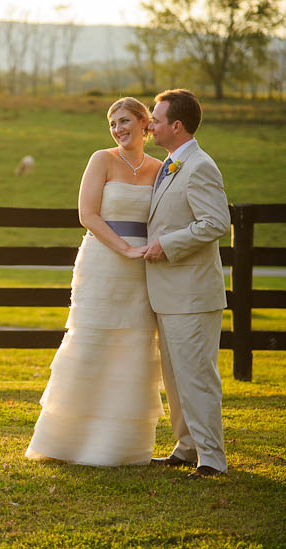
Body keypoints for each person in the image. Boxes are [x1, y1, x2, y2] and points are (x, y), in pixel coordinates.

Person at [25, 97, 165, 466]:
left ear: (144, 122)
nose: (118, 129)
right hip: (103, 260)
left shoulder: (161, 168)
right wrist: (124, 248)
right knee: (90, 343)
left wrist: (147, 250)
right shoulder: (101, 160)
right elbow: (87, 214)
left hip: (142, 268)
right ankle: (65, 443)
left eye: (124, 121)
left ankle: (120, 447)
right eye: (112, 124)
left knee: (133, 347)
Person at [144, 89, 231, 479]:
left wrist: (167, 244)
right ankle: (186, 446)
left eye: (156, 120)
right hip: (169, 293)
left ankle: (212, 459)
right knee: (176, 377)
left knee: (196, 375)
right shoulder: (170, 164)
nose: (150, 125)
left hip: (193, 294)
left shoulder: (199, 166)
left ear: (176, 126)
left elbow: (216, 223)